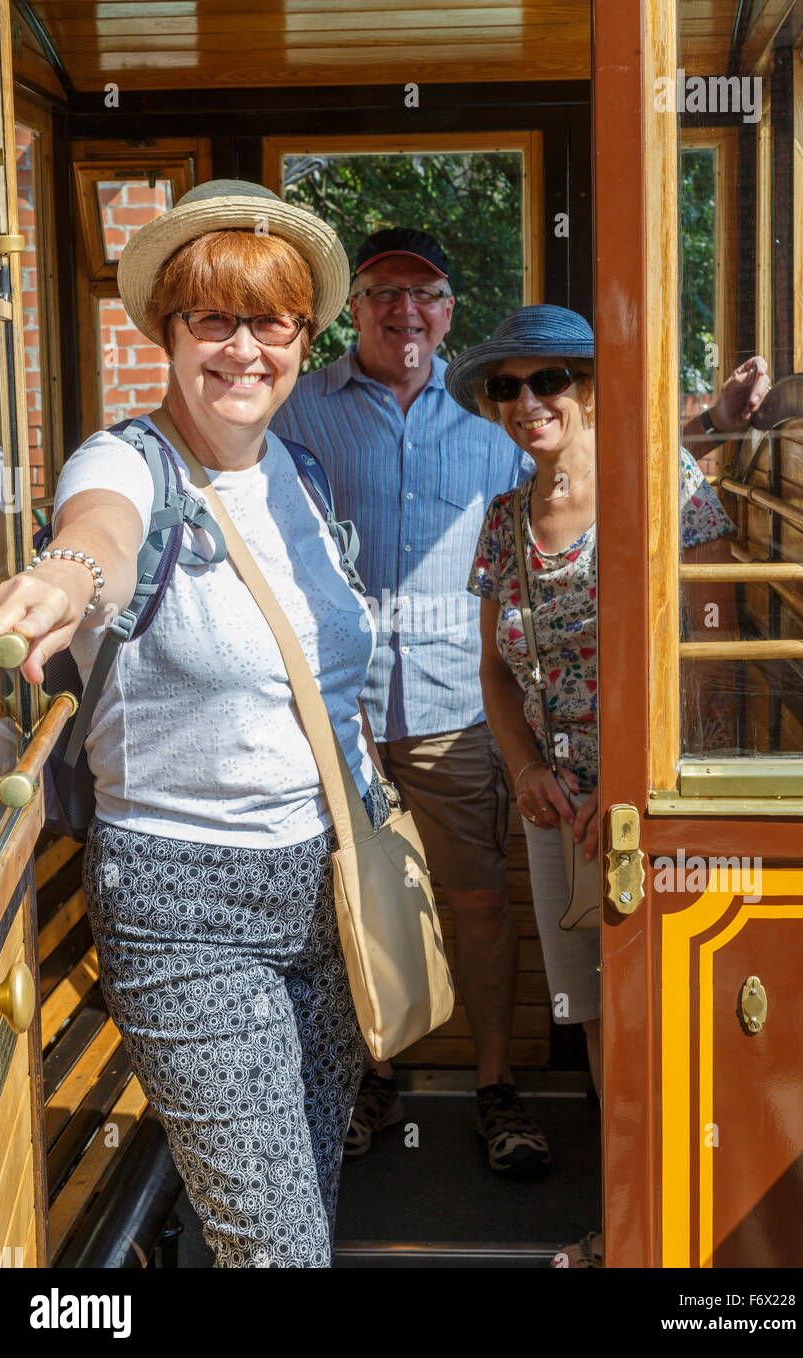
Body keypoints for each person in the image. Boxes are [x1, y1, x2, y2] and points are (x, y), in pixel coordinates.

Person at [0, 179, 390, 1269]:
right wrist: (67, 575)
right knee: (276, 1247)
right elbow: (98, 536)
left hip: (323, 896)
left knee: (302, 1194)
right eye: (212, 318)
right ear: (167, 332)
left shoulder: (300, 476)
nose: (243, 348)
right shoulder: (126, 463)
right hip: (180, 907)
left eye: (273, 320)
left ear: (305, 337)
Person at [445, 304, 769, 1265]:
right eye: (508, 387)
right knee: (591, 1015)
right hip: (558, 812)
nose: (528, 401)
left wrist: (626, 785)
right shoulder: (505, 521)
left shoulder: (662, 487)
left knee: (663, 1012)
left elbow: (709, 648)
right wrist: (530, 771)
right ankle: (630, 1224)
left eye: (550, 381)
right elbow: (497, 673)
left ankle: (700, 1236)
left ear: (592, 391)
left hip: (651, 808)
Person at [272, 228, 551, 1175]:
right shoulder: (294, 414)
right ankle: (368, 1082)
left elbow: (551, 543)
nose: (405, 312)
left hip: (452, 717)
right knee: (340, 906)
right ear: (355, 308)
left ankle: (496, 1090)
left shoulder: (491, 439)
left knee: (475, 904)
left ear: (448, 313)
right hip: (326, 722)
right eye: (385, 293)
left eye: (425, 295)